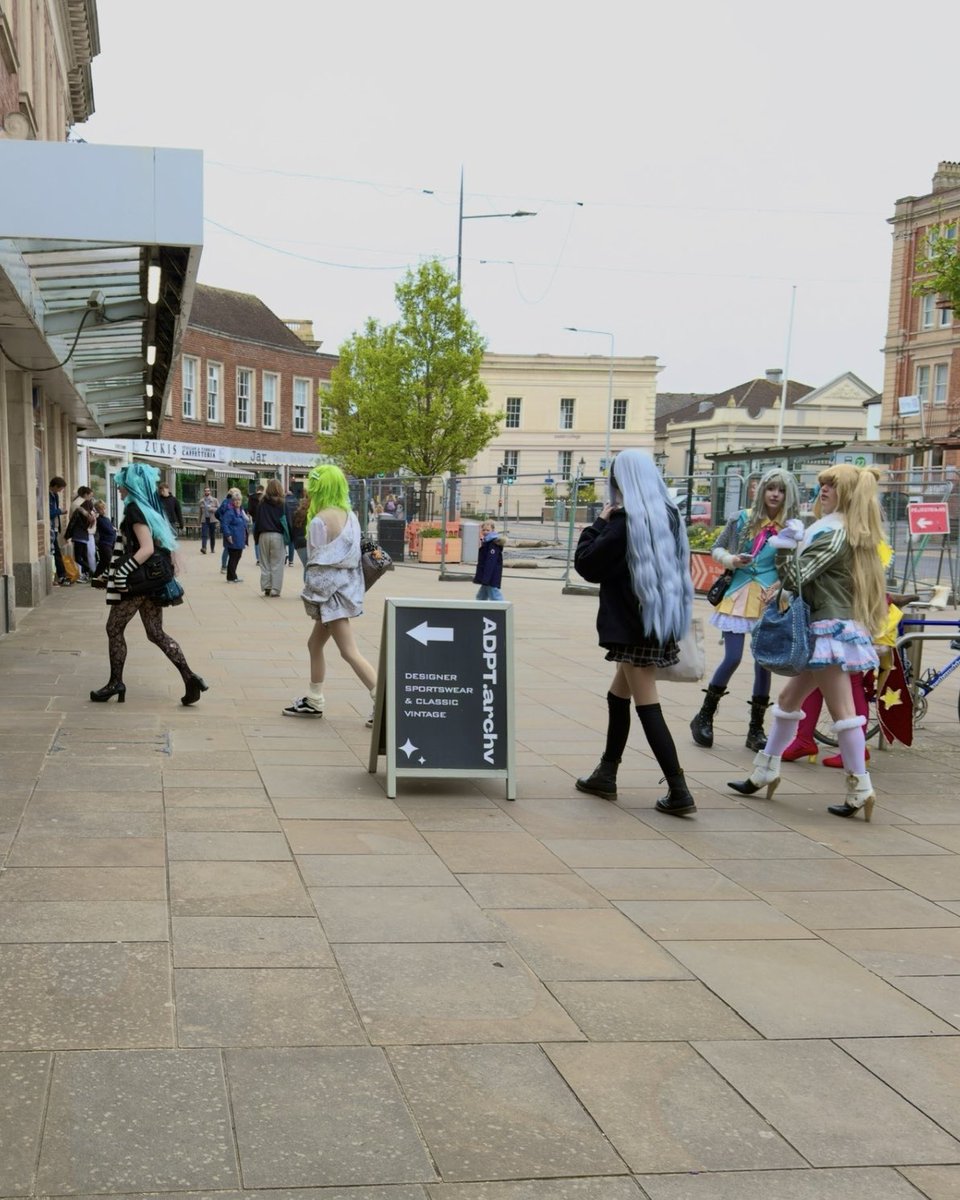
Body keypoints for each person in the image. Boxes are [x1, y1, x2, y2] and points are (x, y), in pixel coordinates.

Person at [728, 464, 888, 821]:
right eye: (822, 485)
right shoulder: (835, 529)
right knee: (788, 700)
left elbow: (798, 577)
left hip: (828, 629)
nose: (823, 490)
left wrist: (784, 547)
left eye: (832, 485)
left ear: (847, 493)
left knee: (843, 711)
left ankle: (860, 787)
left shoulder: (836, 534)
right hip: (825, 626)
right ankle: (765, 770)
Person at [573, 449, 696, 816]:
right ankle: (606, 773)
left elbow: (587, 564)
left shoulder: (625, 523)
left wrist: (598, 523)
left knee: (647, 705)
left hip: (631, 629)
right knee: (618, 695)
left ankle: (679, 789)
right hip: (657, 622)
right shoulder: (669, 516)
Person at [690, 468, 801, 751]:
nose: (775, 494)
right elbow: (716, 548)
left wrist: (780, 585)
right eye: (771, 488)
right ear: (761, 490)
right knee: (733, 657)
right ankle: (704, 716)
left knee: (763, 663)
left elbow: (793, 567)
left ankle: (755, 729)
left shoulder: (791, 528)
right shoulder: (741, 519)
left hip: (768, 598)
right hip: (738, 593)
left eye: (781, 490)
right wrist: (732, 560)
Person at [90, 462, 206, 706]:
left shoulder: (135, 510)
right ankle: (190, 677)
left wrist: (121, 575)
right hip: (151, 582)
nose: (119, 489)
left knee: (114, 628)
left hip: (137, 583)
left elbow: (146, 549)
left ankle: (116, 683)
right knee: (155, 633)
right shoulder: (149, 508)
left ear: (131, 486)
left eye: (121, 485)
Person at [282, 463, 377, 724]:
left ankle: (385, 703)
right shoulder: (351, 516)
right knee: (314, 644)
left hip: (329, 596)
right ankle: (314, 699)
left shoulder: (319, 520)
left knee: (349, 652)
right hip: (346, 590)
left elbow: (316, 561)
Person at [254, 479, 287, 597]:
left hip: (263, 534)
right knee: (277, 563)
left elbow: (257, 521)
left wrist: (256, 538)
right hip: (278, 535)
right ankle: (275, 589)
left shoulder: (262, 503)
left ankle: (267, 586)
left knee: (264, 562)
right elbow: (287, 521)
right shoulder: (282, 504)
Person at [66, 496, 97, 581]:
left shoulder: (78, 512)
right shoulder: (91, 515)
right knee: (84, 556)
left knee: (78, 558)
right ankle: (87, 573)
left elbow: (71, 524)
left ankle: (89, 570)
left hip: (78, 536)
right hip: (85, 537)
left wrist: (67, 536)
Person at [474, 520, 506, 601]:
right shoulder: (486, 542)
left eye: (488, 530)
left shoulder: (492, 544)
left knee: (494, 594)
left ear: (493, 530)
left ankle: (502, 607)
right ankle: (479, 605)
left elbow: (491, 562)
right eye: (483, 530)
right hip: (487, 574)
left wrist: (486, 577)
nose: (485, 532)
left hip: (491, 574)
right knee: (481, 595)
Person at [220, 493, 248, 583]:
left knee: (238, 556)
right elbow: (225, 524)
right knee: (233, 557)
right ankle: (231, 577)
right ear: (232, 501)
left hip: (240, 538)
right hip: (233, 538)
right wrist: (228, 535)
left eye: (239, 500)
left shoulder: (240, 511)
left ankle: (233, 576)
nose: (237, 502)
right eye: (235, 500)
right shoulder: (230, 512)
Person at [49, 476, 70, 586]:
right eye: (60, 488)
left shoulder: (55, 496)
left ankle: (62, 575)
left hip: (56, 527)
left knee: (57, 552)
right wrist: (59, 511)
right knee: (56, 552)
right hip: (51, 528)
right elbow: (49, 513)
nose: (61, 491)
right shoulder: (48, 496)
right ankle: (61, 575)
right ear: (55, 486)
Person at [92, 500, 117, 578]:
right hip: (105, 544)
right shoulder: (99, 519)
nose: (103, 510)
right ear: (97, 510)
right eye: (101, 509)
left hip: (109, 543)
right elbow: (109, 530)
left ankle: (95, 577)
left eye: (104, 508)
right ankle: (111, 577)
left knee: (103, 563)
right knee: (109, 561)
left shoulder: (107, 519)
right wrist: (113, 529)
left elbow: (111, 529)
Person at [198, 487, 219, 554]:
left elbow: (219, 509)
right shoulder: (201, 501)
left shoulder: (215, 500)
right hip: (204, 520)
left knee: (212, 535)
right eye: (205, 491)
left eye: (208, 491)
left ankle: (212, 548)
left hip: (212, 520)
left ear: (210, 492)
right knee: (204, 534)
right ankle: (204, 548)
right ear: (204, 492)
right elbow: (200, 512)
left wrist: (212, 509)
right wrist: (199, 521)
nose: (207, 492)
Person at [284, 487, 299, 566]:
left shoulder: (283, 501)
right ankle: (291, 561)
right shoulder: (296, 501)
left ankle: (284, 554)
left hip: (285, 523)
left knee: (283, 541)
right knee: (291, 542)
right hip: (293, 524)